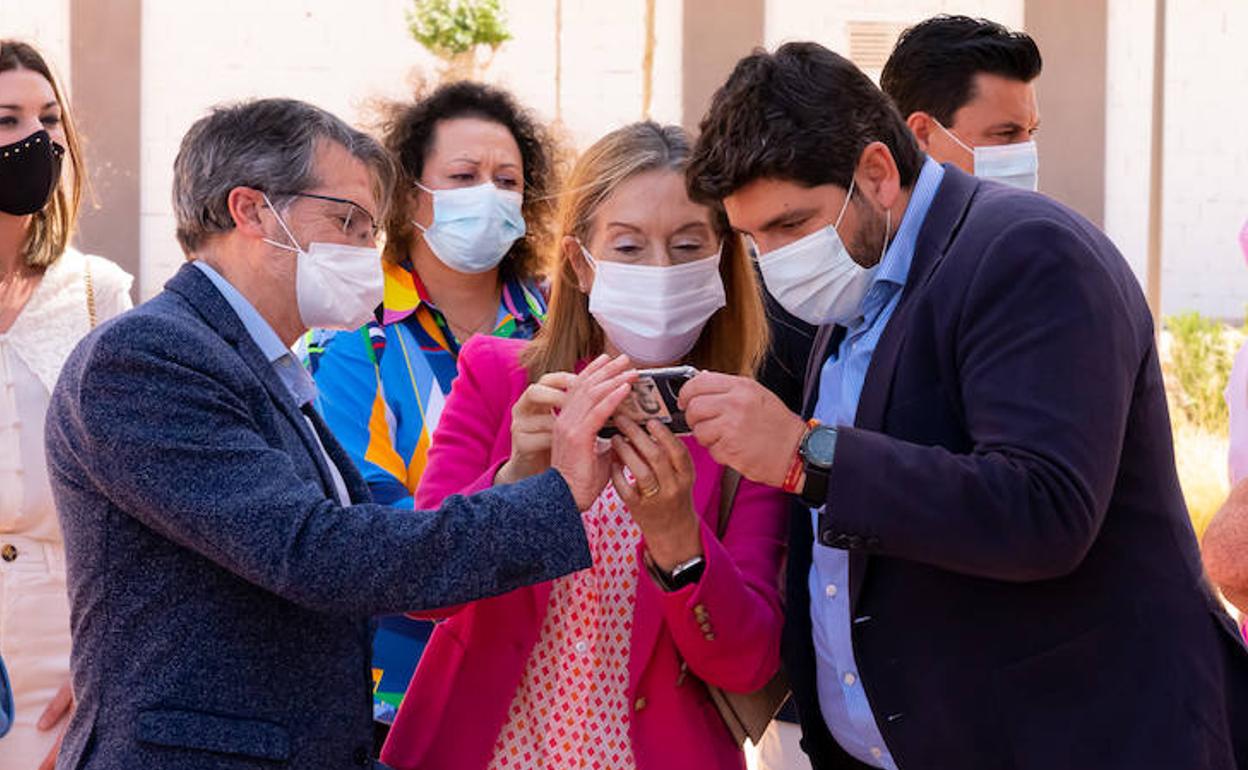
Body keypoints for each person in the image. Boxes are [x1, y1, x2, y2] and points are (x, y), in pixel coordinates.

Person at [679, 42, 1248, 769]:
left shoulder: (1028, 254)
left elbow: (1043, 508)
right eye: (754, 238)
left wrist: (804, 456)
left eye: (791, 225)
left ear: (877, 174)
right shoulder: (858, 283)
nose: (775, 259)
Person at [43, 97, 637, 770]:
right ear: (251, 210)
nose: (366, 250)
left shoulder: (256, 360)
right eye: (347, 221)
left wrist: (519, 477)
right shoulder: (150, 357)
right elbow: (317, 553)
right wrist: (558, 495)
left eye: (370, 228)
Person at [380, 122, 788, 770]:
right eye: (628, 246)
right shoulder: (500, 379)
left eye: (688, 246)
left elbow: (747, 661)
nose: (660, 271)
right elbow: (423, 589)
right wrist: (516, 480)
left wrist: (679, 538)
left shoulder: (747, 427)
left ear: (723, 262)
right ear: (580, 261)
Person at [303, 81, 559, 732]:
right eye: (465, 176)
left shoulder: (560, 324)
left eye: (508, 180)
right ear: (411, 193)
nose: (491, 196)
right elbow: (368, 519)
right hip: (402, 691)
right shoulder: (355, 336)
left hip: (550, 679)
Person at [0, 40, 133, 770]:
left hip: (72, 640)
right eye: (7, 118)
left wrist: (107, 662)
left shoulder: (99, 293)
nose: (35, 140)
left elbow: (142, 504)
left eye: (48, 118)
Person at [880, 15, 1042, 190]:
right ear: (922, 134)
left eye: (1031, 131)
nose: (1027, 153)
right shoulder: (860, 215)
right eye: (1005, 133)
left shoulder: (1032, 216)